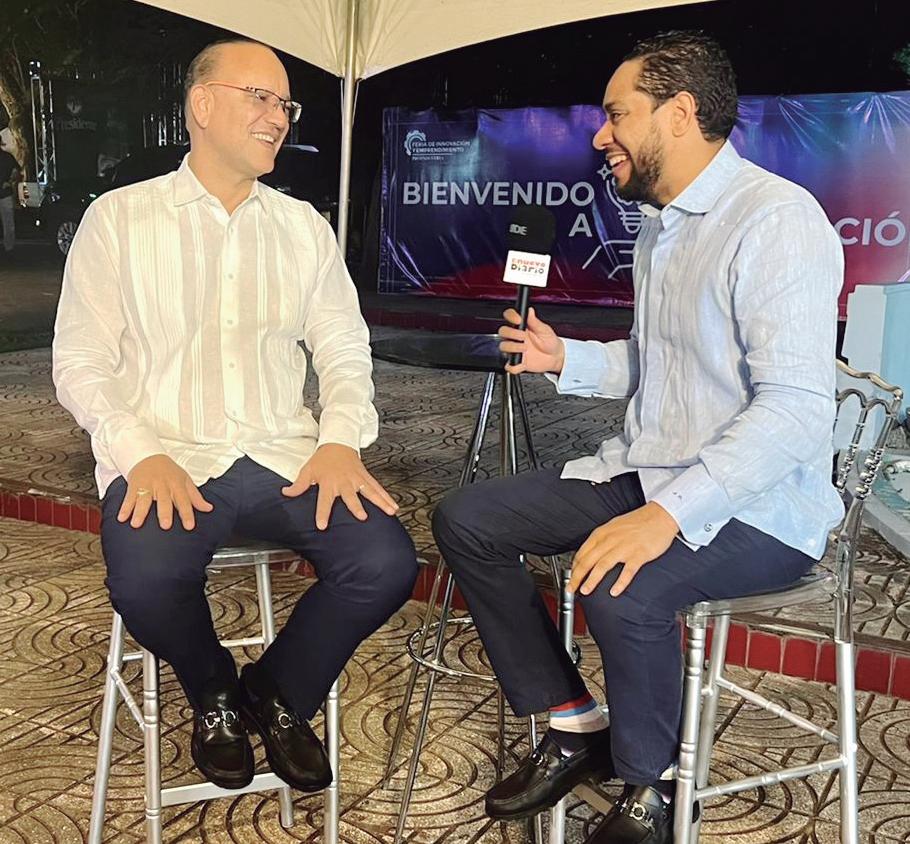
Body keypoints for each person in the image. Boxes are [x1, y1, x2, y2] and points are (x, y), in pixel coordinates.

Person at [432, 30, 844, 844]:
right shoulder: (661, 226)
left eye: (617, 114)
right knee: (467, 519)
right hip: (650, 470)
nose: (600, 135)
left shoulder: (777, 221)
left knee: (621, 588)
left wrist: (667, 515)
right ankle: (574, 723)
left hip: (759, 507)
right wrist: (567, 359)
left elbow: (797, 409)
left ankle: (651, 791)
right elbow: (666, 362)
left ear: (679, 113)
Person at [53, 37, 418, 793]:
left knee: (384, 562)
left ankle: (276, 693)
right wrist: (138, 451)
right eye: (259, 97)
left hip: (285, 455)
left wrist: (341, 441)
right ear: (202, 104)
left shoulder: (303, 228)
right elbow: (80, 362)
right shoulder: (119, 220)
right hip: (169, 456)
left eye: (285, 104)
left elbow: (344, 347)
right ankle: (213, 688)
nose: (278, 117)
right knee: (147, 580)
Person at [0, 145, 20, 257]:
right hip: (5, 193)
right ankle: (9, 247)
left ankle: (9, 247)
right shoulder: (7, 156)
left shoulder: (7, 157)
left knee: (8, 222)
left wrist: (10, 181)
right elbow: (16, 171)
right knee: (8, 222)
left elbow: (16, 171)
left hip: (4, 194)